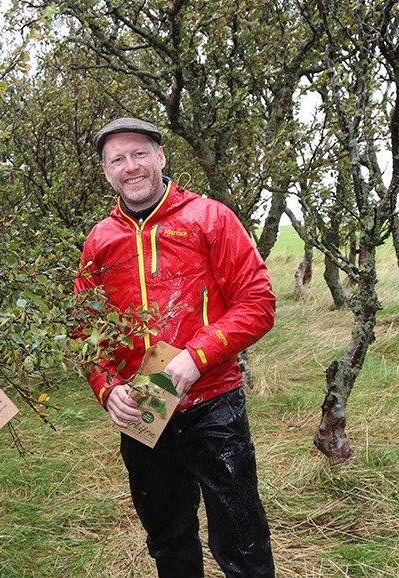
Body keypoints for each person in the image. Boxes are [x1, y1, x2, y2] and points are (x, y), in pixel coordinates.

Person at [74, 117, 276, 577]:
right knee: (168, 539)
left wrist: (196, 356)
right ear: (106, 172)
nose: (131, 166)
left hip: (213, 403)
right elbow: (85, 331)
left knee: (241, 538)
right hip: (144, 411)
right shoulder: (99, 242)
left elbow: (258, 302)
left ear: (161, 157)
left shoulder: (210, 218)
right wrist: (107, 389)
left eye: (140, 153)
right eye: (117, 159)